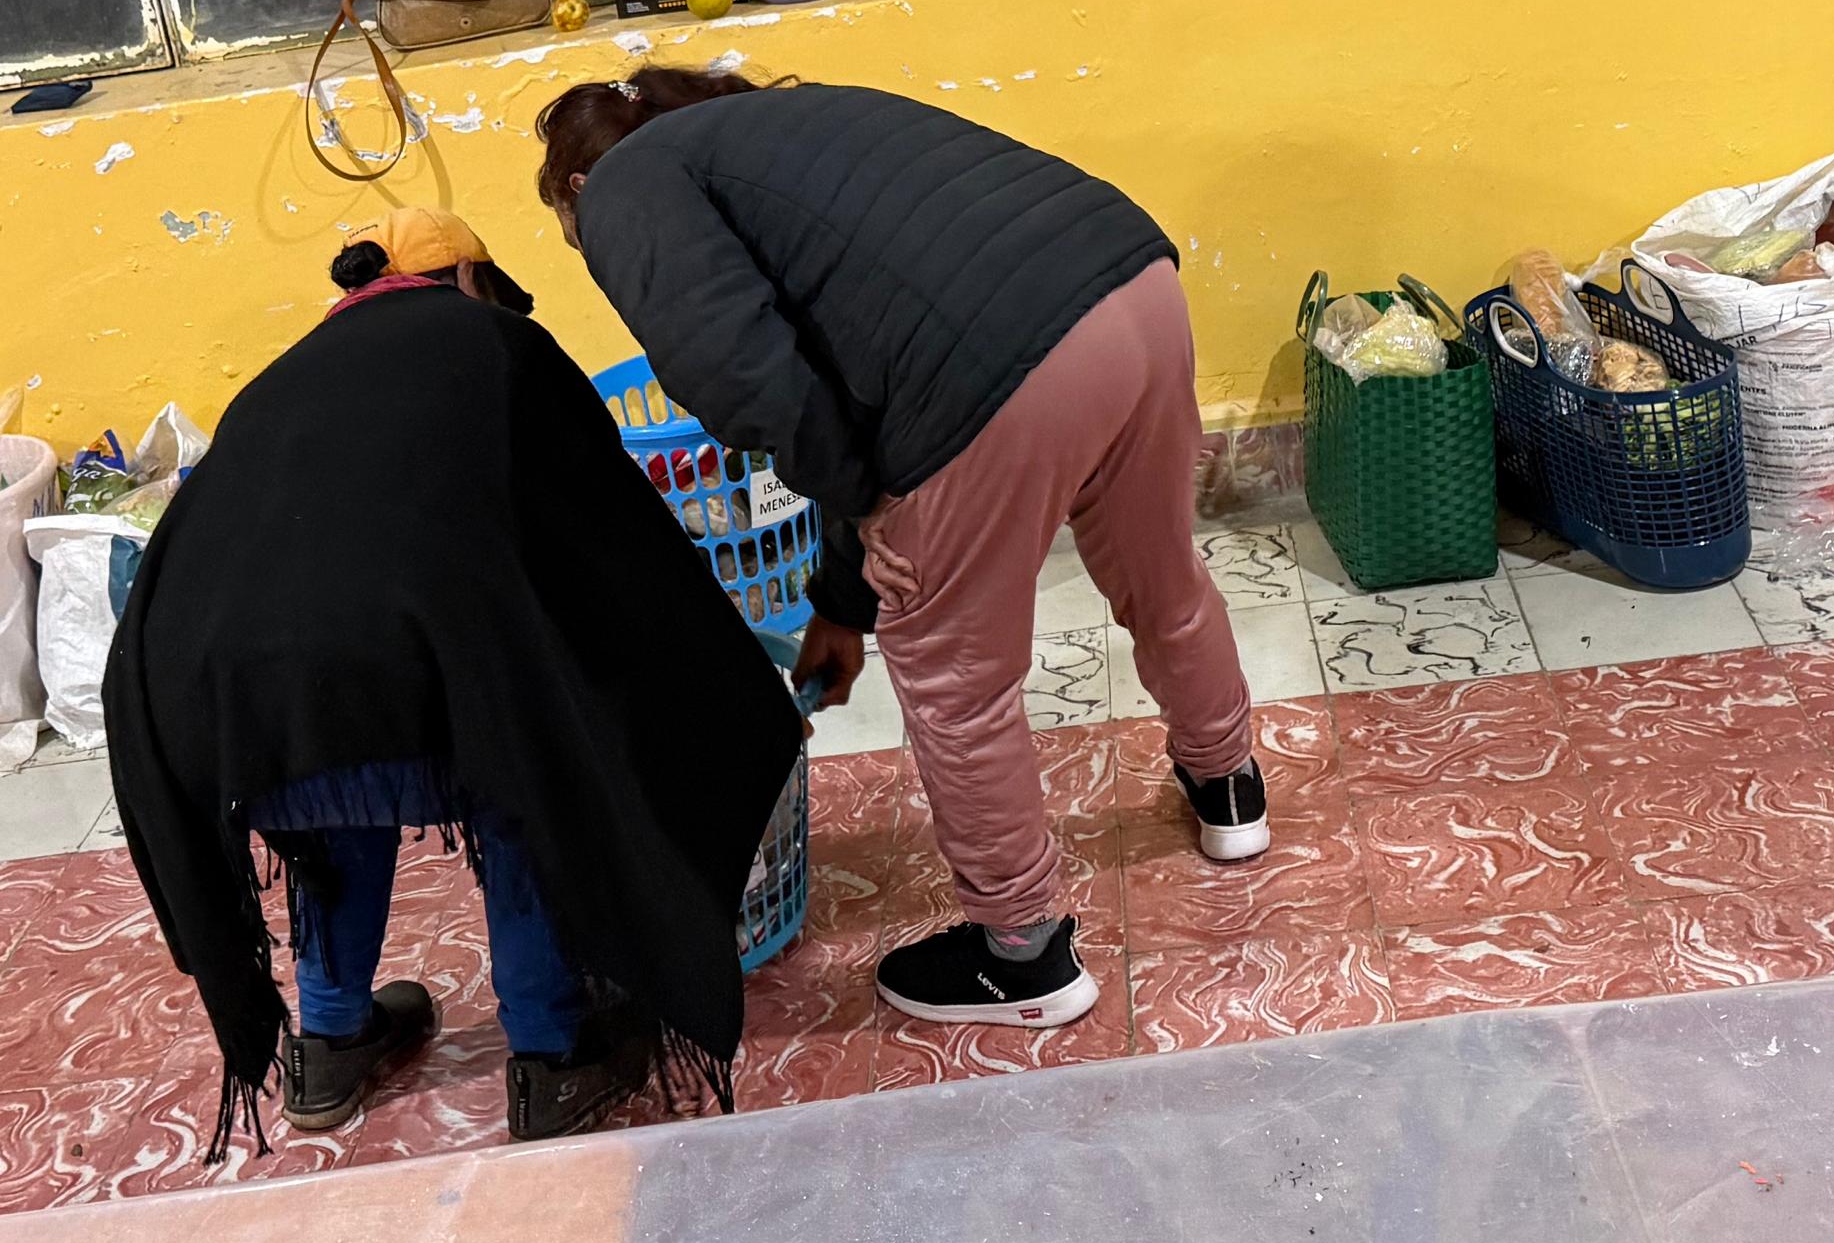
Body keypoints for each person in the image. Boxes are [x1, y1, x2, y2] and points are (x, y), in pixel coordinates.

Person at [534, 68, 1263, 1031]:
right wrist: (842, 600)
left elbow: (741, 371)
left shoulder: (627, 185)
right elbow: (852, 377)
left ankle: (1023, 955)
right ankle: (1228, 786)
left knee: (956, 675)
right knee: (1160, 570)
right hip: (1131, 283)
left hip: (997, 361)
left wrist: (869, 498)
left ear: (578, 186)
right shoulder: (773, 134)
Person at [104, 206, 799, 1148]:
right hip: (411, 672)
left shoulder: (282, 375)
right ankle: (552, 1054)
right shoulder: (499, 344)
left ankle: (329, 1042)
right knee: (527, 762)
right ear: (471, 280)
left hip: (221, 702)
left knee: (330, 804)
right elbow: (602, 527)